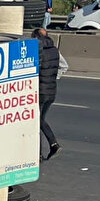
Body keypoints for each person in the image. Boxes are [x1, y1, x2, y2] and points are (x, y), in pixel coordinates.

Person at [32, 28, 62, 159]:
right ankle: (42, 151)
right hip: (52, 91)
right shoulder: (55, 50)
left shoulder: (38, 51)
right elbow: (63, 66)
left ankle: (52, 145)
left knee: (37, 121)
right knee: (39, 121)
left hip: (40, 91)